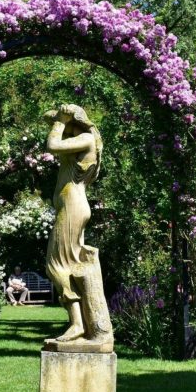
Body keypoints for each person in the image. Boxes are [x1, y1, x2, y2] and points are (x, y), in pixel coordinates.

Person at [44, 104, 113, 346]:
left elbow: (51, 145)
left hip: (73, 208)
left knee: (57, 265)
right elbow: (47, 119)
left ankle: (77, 324)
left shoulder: (85, 139)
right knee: (69, 264)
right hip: (71, 207)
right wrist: (59, 118)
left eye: (65, 123)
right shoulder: (80, 139)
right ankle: (81, 323)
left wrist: (61, 121)